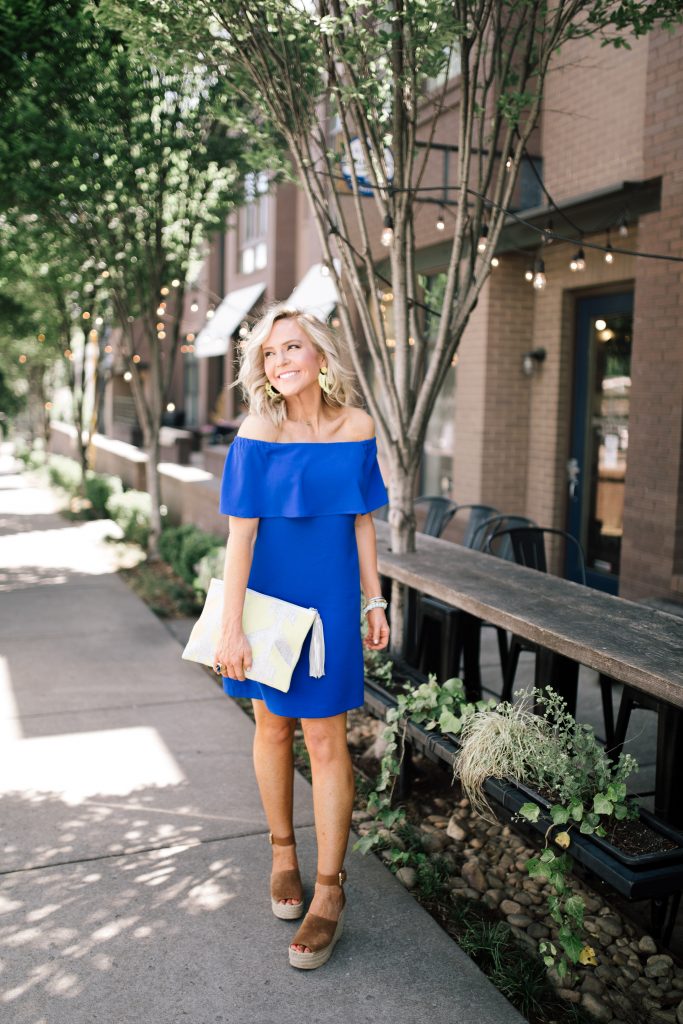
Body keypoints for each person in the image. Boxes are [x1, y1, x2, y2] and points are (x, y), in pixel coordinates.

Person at [213, 303, 390, 970]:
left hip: (332, 599)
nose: (280, 360)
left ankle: (330, 888)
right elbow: (240, 539)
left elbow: (363, 520)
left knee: (325, 737)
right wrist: (231, 628)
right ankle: (282, 852)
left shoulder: (357, 427)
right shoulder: (257, 432)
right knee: (272, 727)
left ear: (319, 355)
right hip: (270, 599)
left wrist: (375, 599)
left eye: (291, 347)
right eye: (269, 352)